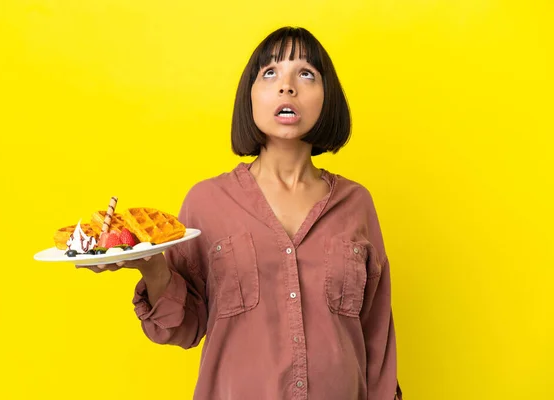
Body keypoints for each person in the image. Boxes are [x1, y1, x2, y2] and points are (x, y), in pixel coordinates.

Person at [81, 26, 402, 400]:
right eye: (270, 73)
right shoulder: (206, 202)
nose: (287, 87)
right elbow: (182, 328)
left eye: (306, 74)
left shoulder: (356, 204)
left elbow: (377, 336)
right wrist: (153, 268)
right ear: (248, 97)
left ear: (326, 98)